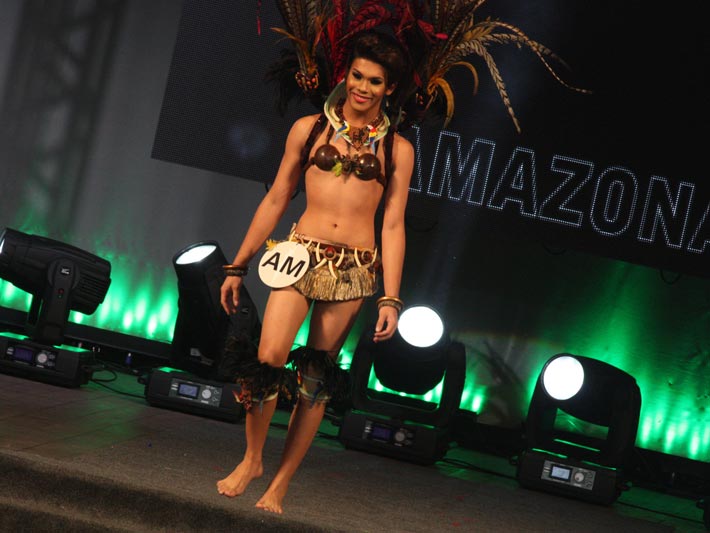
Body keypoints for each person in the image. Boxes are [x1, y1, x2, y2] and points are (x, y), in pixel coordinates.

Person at [216, 30, 414, 514]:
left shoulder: (397, 149)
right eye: (357, 76)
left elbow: (393, 224)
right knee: (268, 356)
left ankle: (280, 483)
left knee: (314, 381)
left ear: (389, 88)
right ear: (346, 74)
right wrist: (238, 264)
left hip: (354, 268)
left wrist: (391, 297)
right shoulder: (308, 129)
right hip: (299, 254)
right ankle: (253, 458)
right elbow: (276, 198)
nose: (362, 87)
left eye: (375, 81)